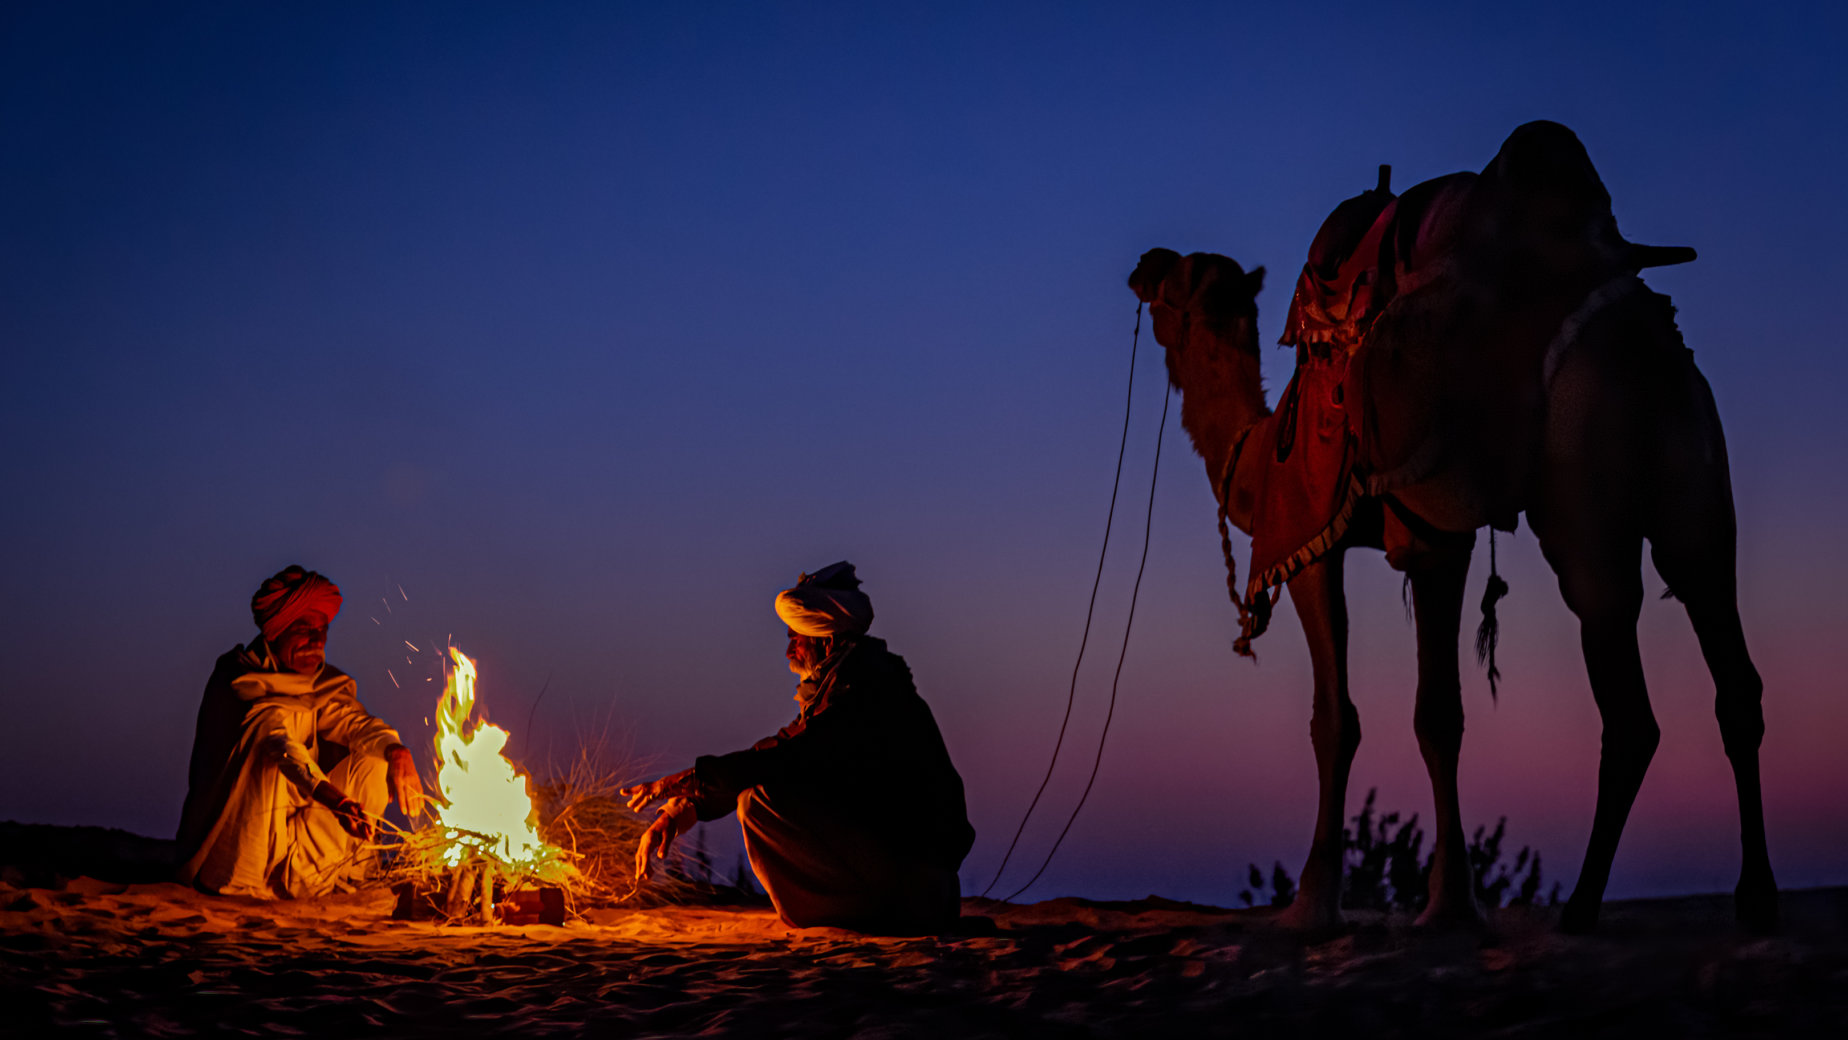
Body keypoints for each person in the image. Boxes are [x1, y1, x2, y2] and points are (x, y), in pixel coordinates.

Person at [623, 562, 975, 933]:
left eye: (796, 636)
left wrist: (683, 781)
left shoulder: (866, 692)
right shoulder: (838, 688)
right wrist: (681, 809)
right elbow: (775, 751)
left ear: (826, 638)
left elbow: (784, 760)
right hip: (911, 880)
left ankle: (846, 921)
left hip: (919, 884)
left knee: (758, 802)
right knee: (760, 789)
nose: (789, 646)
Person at [175, 566, 425, 898]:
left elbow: (355, 723)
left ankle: (325, 876)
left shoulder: (319, 684)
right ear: (275, 632)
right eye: (304, 629)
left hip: (304, 844)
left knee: (376, 761)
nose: (317, 640)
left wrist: (396, 752)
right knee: (267, 758)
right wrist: (335, 800)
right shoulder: (238, 681)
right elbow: (279, 745)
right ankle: (249, 881)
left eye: (323, 630)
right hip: (245, 851)